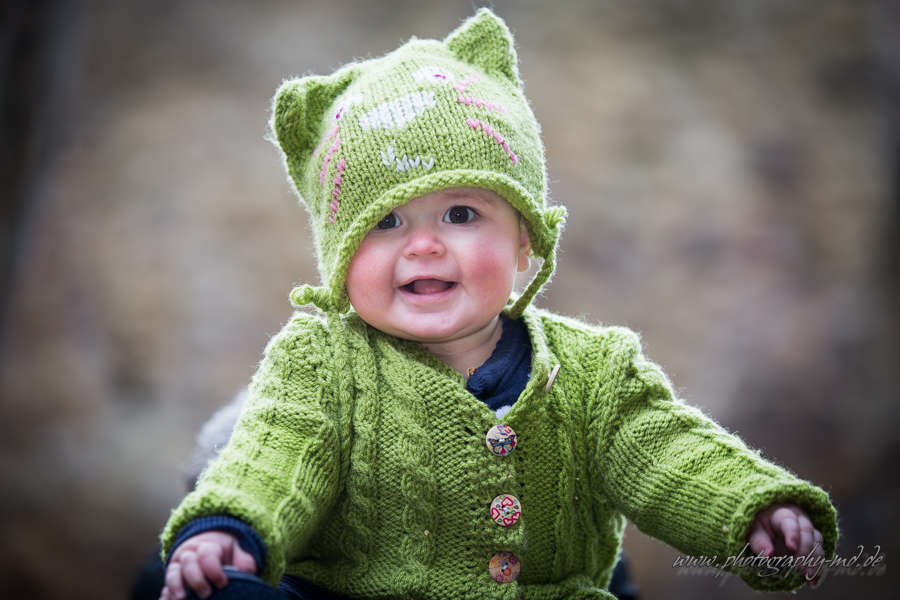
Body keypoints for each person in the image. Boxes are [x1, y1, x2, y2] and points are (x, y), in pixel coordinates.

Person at [159, 9, 837, 600]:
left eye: (460, 212)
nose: (422, 246)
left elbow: (666, 455)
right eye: (384, 222)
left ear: (525, 243)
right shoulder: (321, 362)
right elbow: (277, 454)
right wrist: (225, 531)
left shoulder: (594, 374)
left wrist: (748, 511)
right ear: (338, 259)